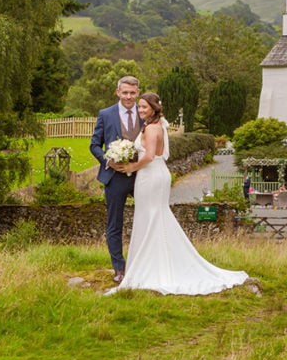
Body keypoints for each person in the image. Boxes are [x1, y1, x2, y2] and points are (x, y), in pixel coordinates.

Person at [108, 93, 249, 296]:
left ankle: (151, 268)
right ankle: (156, 263)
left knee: (150, 217)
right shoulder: (159, 126)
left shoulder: (152, 128)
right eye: (139, 107)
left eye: (144, 107)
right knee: (155, 216)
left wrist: (131, 166)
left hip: (150, 176)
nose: (140, 110)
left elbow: (148, 156)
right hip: (157, 174)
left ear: (154, 109)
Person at [90, 75, 141, 283]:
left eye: (132, 92)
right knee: (114, 224)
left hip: (141, 176)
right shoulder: (106, 114)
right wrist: (108, 161)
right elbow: (94, 145)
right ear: (117, 92)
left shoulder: (146, 113)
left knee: (146, 219)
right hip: (114, 177)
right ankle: (119, 269)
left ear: (138, 92)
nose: (128, 96)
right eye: (125, 92)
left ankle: (143, 264)